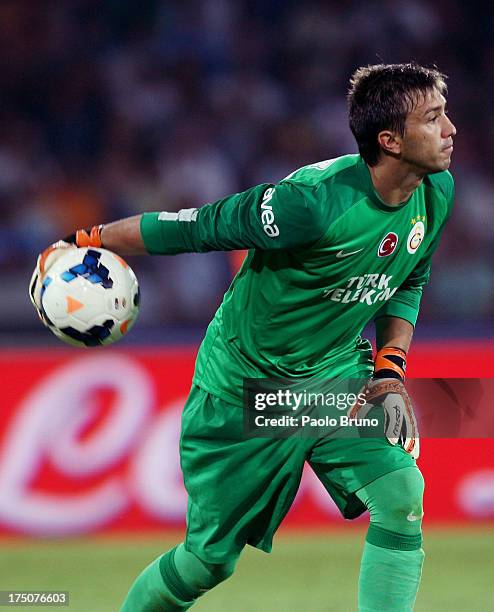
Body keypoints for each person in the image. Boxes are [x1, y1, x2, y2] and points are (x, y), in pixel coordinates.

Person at [31, 62, 456, 611]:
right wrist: (88, 238)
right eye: (434, 118)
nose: (450, 130)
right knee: (207, 563)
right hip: (245, 396)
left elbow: (409, 275)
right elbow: (194, 226)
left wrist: (390, 367)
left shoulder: (435, 192)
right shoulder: (308, 205)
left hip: (334, 380)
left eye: (445, 114)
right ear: (390, 140)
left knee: (401, 496)